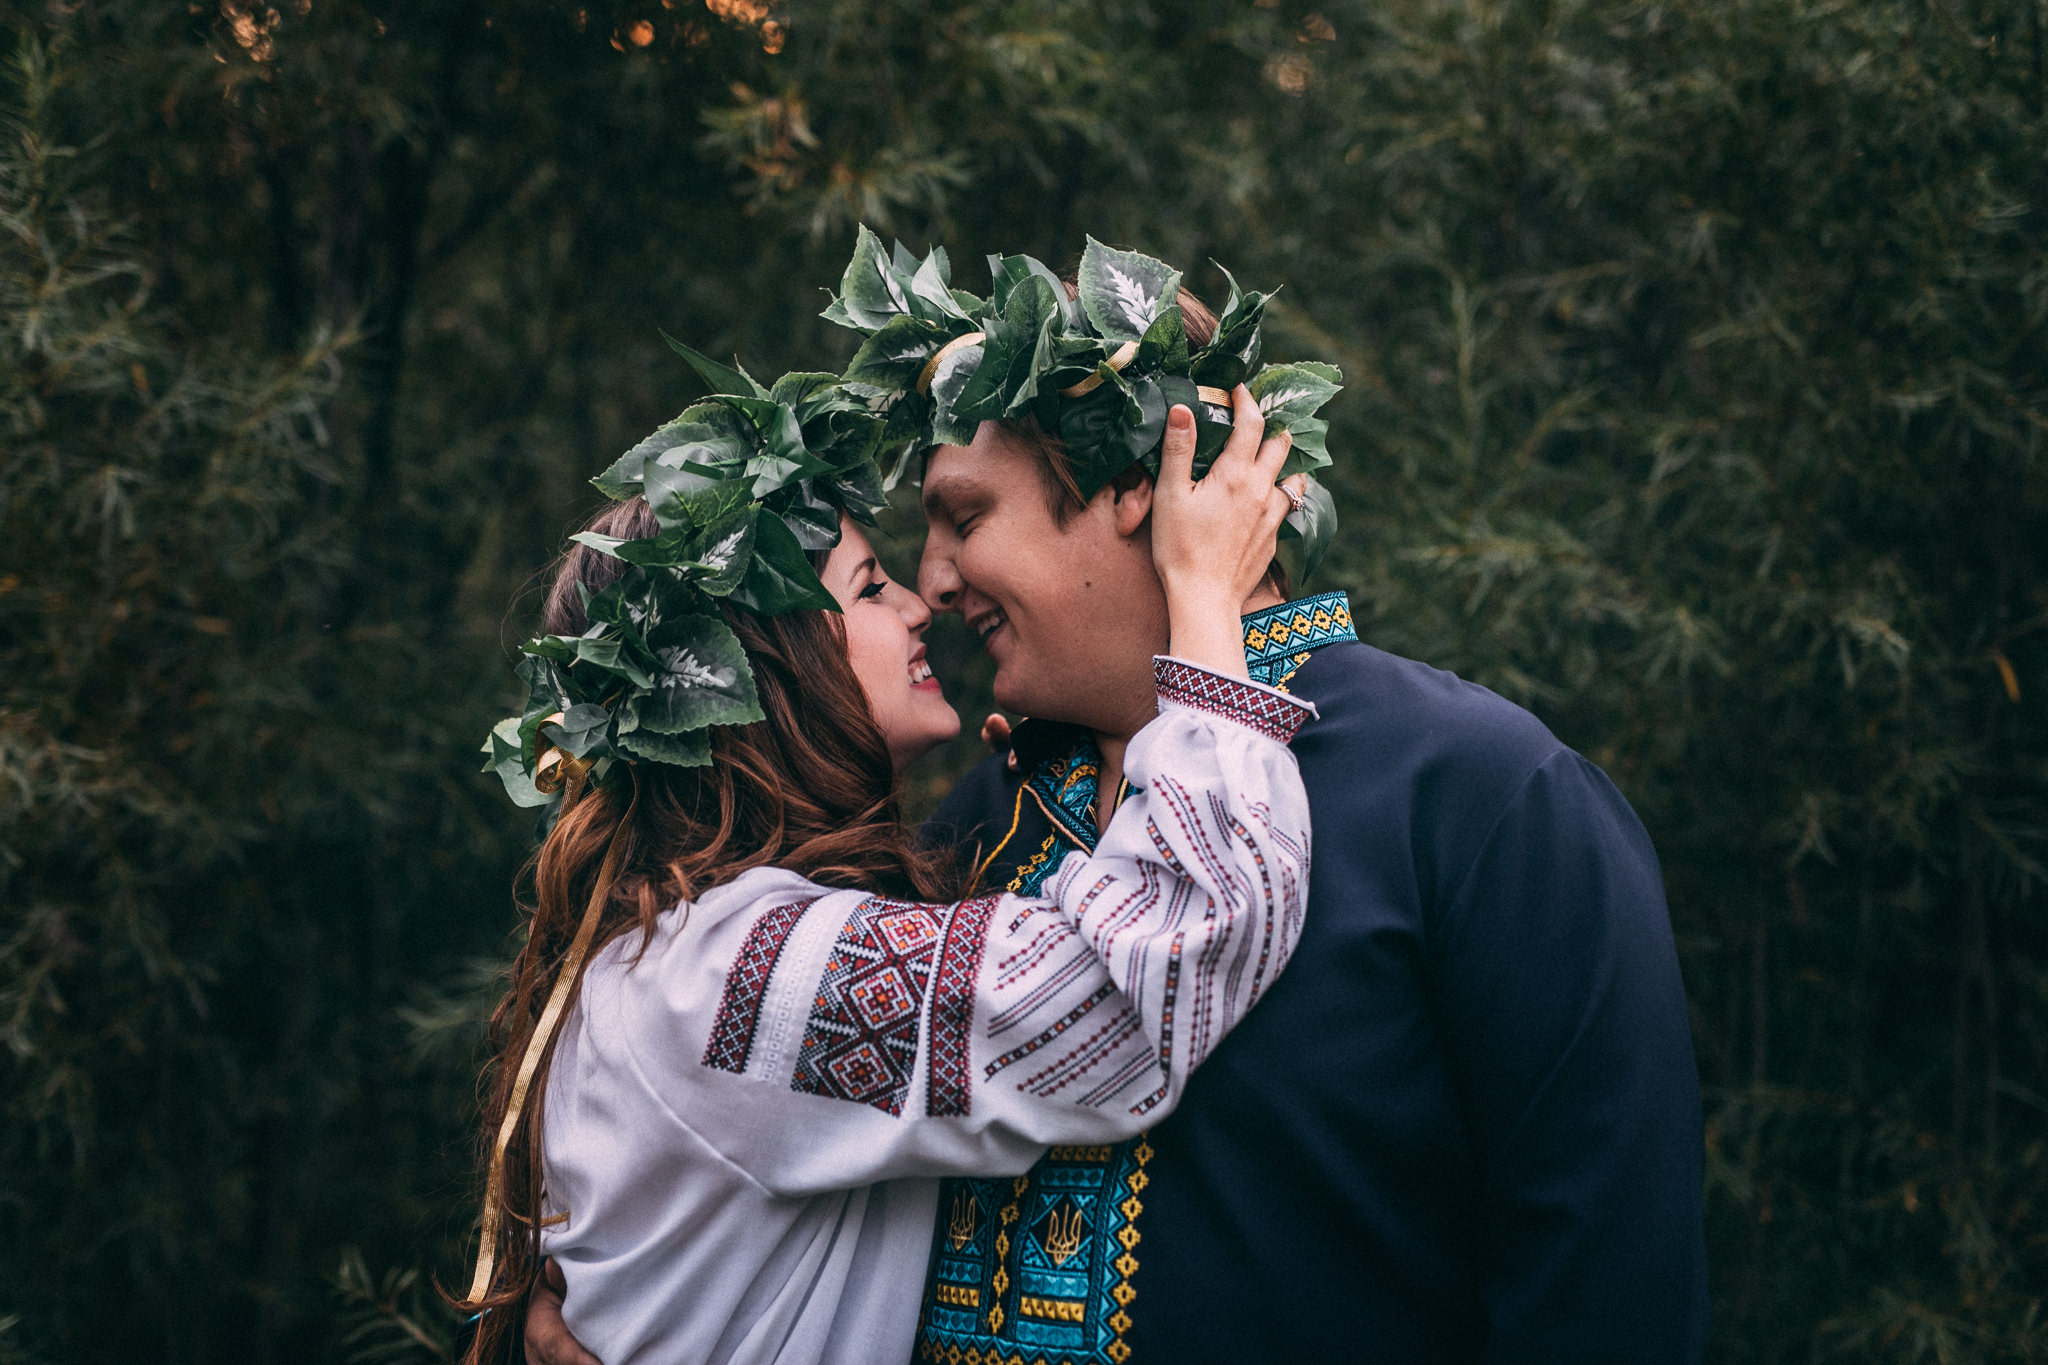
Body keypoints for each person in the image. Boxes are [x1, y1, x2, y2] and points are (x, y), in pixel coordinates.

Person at [527, 235, 1708, 1364]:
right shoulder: (969, 827)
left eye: (964, 519)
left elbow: (1604, 1290)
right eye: (893, 563)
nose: (932, 587)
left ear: (1143, 487)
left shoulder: (1479, 801)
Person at [460, 347, 1320, 1365]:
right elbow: (1138, 982)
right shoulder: (740, 983)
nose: (918, 602)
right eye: (868, 588)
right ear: (768, 669)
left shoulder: (688, 952)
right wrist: (1204, 605)